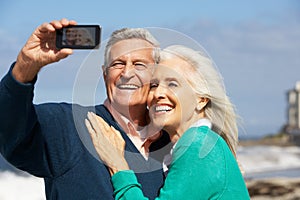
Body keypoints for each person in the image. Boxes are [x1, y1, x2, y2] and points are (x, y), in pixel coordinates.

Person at [0, 18, 171, 199]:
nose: (127, 73)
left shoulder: (173, 143)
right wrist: (25, 67)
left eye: (139, 64)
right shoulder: (70, 125)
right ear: (105, 75)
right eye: (117, 64)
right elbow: (9, 130)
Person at [86, 45, 251, 199]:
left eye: (172, 84)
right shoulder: (202, 143)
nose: (158, 93)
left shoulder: (198, 146)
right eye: (154, 85)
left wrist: (118, 165)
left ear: (201, 100)